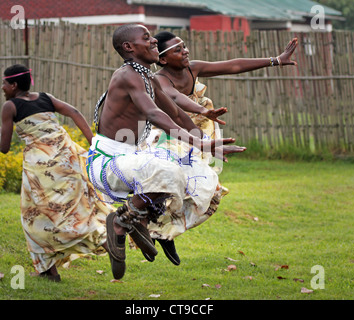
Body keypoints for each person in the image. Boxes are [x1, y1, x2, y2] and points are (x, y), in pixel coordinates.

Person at [85, 24, 245, 280]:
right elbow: (153, 113)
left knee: (203, 181)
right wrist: (198, 142)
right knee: (169, 172)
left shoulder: (146, 77)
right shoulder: (127, 75)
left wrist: (201, 140)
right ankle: (123, 221)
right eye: (146, 38)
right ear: (128, 47)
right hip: (107, 162)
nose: (153, 43)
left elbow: (176, 113)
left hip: (132, 158)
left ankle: (144, 222)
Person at [144, 31, 299, 264]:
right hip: (170, 135)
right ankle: (147, 226)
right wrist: (202, 111)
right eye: (178, 50)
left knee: (206, 190)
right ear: (163, 59)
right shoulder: (160, 80)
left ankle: (165, 231)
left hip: (199, 134)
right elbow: (175, 101)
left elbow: (233, 65)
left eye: (184, 46)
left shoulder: (192, 68)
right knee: (172, 184)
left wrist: (274, 60)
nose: (185, 51)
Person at [0, 64, 115, 282]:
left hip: (41, 168)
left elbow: (3, 147)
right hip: (67, 157)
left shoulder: (10, 107)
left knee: (34, 217)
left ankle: (55, 268)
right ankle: (103, 242)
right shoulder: (45, 97)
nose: (2, 87)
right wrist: (93, 145)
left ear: (13, 85)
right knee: (77, 208)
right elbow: (75, 113)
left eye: (4, 83)